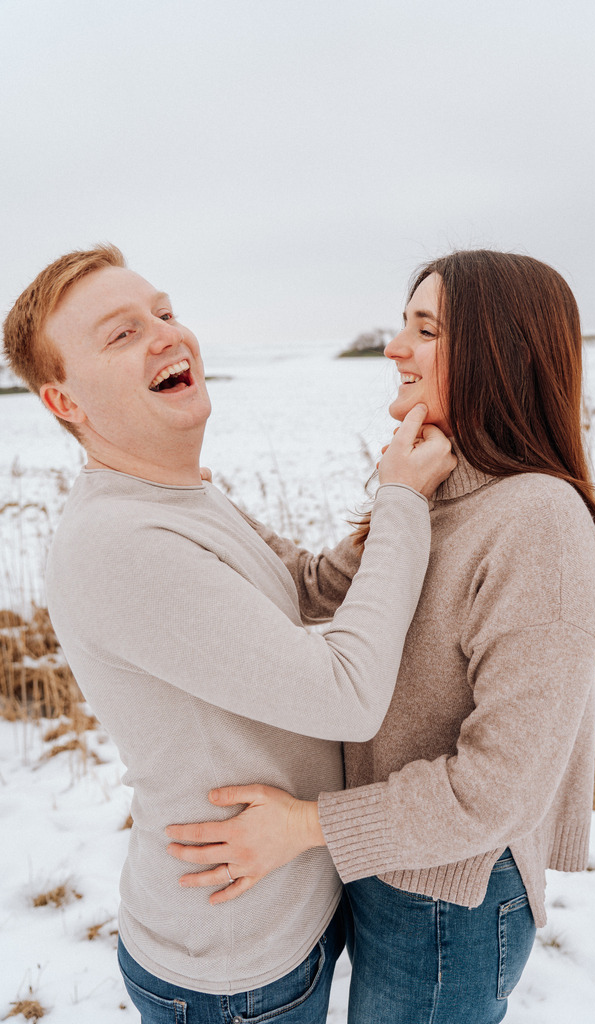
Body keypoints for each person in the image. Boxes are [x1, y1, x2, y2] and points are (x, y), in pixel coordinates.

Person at [2, 244, 458, 1023]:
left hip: (288, 906)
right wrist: (402, 501)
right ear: (63, 401)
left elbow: (305, 588)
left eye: (164, 312)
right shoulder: (121, 543)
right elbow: (346, 696)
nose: (165, 335)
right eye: (121, 334)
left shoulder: (178, 493)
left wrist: (409, 491)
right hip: (231, 967)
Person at [167, 250, 595, 1024]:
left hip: (449, 900)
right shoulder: (431, 487)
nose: (393, 347)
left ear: (496, 353)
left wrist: (302, 827)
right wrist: (190, 498)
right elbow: (314, 590)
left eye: (425, 330)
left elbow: (497, 791)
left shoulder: (538, 524)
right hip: (384, 859)